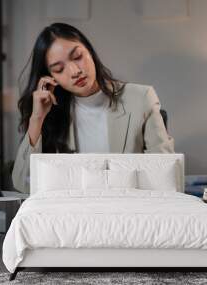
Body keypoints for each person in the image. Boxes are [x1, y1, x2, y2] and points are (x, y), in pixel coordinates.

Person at [12, 23, 174, 193]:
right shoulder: (51, 114)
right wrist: (37, 118)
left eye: (77, 57)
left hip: (129, 208)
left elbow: (164, 174)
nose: (75, 71)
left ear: (89, 51)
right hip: (74, 213)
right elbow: (24, 184)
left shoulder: (141, 98)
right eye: (59, 69)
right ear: (51, 77)